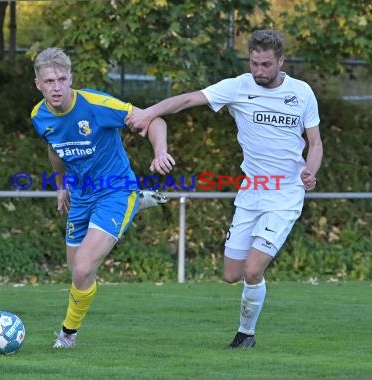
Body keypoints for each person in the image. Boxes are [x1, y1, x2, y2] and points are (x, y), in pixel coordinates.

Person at [126, 29, 323, 349]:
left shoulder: (302, 93)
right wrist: (150, 112)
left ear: (281, 61)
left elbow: (315, 144)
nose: (258, 70)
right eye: (253, 63)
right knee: (232, 273)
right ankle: (249, 307)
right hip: (251, 192)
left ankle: (245, 335)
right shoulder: (239, 86)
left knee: (254, 268)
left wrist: (310, 172)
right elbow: (189, 99)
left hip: (285, 193)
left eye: (265, 64)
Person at [31, 47, 175, 349]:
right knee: (78, 272)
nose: (56, 87)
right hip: (81, 196)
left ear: (71, 79)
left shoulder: (96, 105)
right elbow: (54, 148)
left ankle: (67, 335)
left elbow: (153, 120)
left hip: (115, 190)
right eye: (49, 81)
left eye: (61, 79)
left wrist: (160, 151)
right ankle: (137, 203)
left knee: (83, 267)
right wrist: (61, 185)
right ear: (38, 84)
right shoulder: (39, 115)